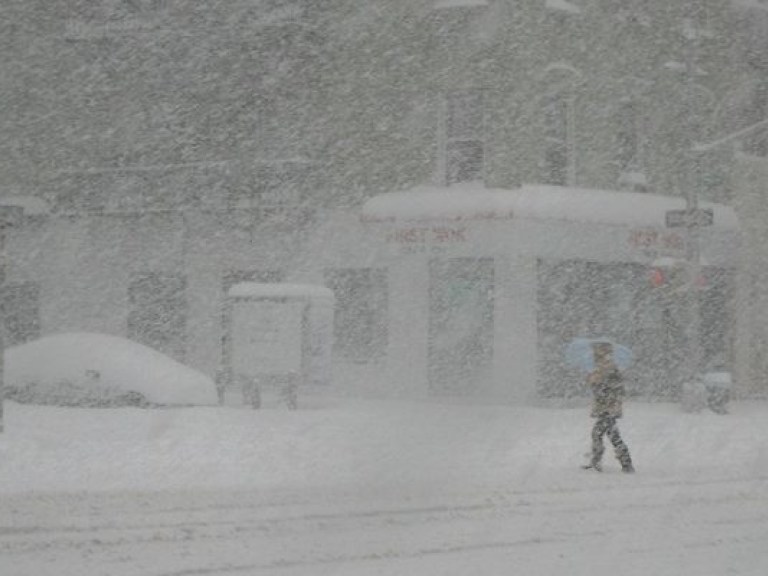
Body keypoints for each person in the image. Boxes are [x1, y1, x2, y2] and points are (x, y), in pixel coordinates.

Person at [582, 342, 635, 473]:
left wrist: (598, 385)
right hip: (606, 408)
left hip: (608, 408)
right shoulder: (600, 368)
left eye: (596, 351)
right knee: (610, 435)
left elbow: (614, 389)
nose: (594, 354)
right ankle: (624, 463)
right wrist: (592, 380)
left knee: (600, 434)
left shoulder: (609, 368)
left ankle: (600, 462)